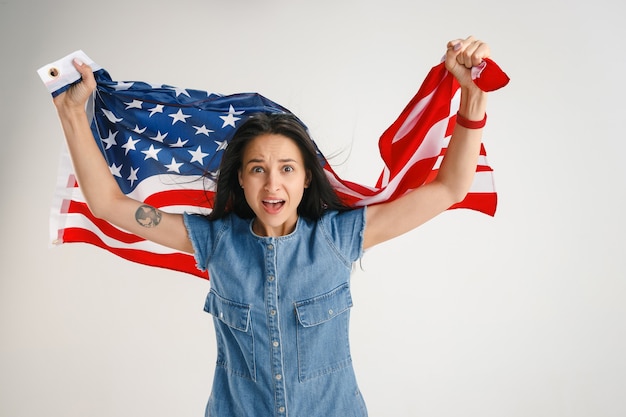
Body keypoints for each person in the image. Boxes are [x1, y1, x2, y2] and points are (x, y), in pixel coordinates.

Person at [52, 35, 492, 417]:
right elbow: (109, 204)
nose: (272, 183)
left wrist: (473, 98)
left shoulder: (341, 237)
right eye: (258, 169)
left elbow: (450, 188)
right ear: (241, 179)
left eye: (286, 168)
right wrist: (72, 113)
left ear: (306, 176)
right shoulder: (215, 241)